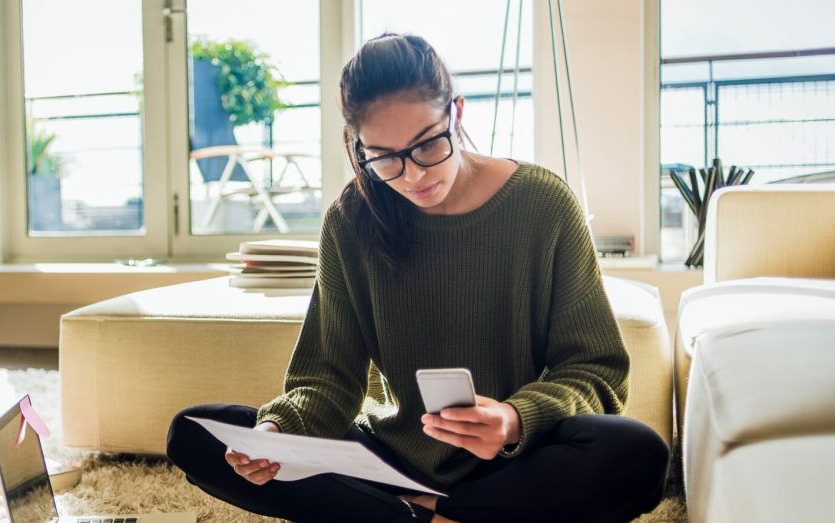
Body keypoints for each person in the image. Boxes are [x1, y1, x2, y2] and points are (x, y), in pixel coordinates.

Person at [165, 33, 668, 523]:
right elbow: (327, 378)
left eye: (427, 145)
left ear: (457, 113)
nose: (412, 175)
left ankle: (420, 515)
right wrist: (277, 431)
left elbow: (595, 370)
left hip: (512, 462)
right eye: (383, 157)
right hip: (389, 460)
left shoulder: (543, 205)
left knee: (637, 453)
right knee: (195, 434)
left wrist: (514, 421)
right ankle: (444, 514)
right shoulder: (351, 219)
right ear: (358, 147)